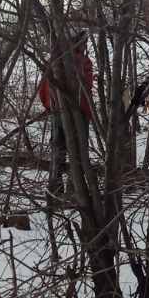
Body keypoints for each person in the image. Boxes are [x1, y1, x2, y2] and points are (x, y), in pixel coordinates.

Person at [38, 31, 94, 200]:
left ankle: (55, 190)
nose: (85, 46)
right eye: (84, 43)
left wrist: (50, 107)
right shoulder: (83, 62)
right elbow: (86, 89)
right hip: (78, 114)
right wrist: (85, 111)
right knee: (78, 154)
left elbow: (43, 90)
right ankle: (75, 191)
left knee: (58, 153)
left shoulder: (53, 61)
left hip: (57, 114)